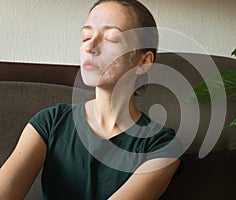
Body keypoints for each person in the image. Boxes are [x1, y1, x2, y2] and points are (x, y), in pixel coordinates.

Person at [0, 0, 182, 199]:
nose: (91, 47)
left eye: (112, 38)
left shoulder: (163, 145)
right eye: (86, 36)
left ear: (144, 61)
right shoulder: (50, 123)